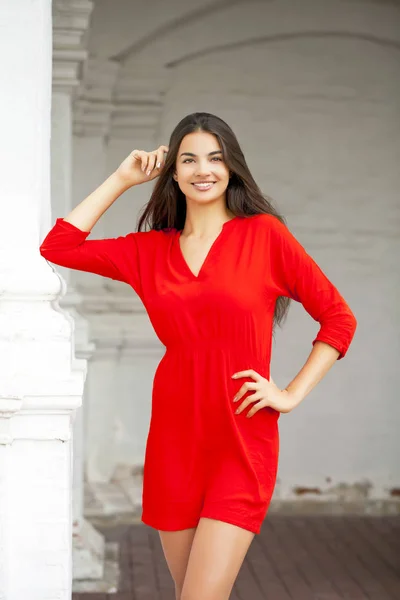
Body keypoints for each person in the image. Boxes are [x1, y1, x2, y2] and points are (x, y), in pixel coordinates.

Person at [40, 112, 357, 600]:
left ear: (231, 167)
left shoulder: (265, 235)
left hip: (240, 435)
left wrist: (290, 394)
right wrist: (123, 178)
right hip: (174, 437)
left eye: (215, 157)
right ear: (173, 172)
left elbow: (339, 318)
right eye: (188, 159)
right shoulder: (148, 251)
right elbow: (58, 246)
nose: (202, 169)